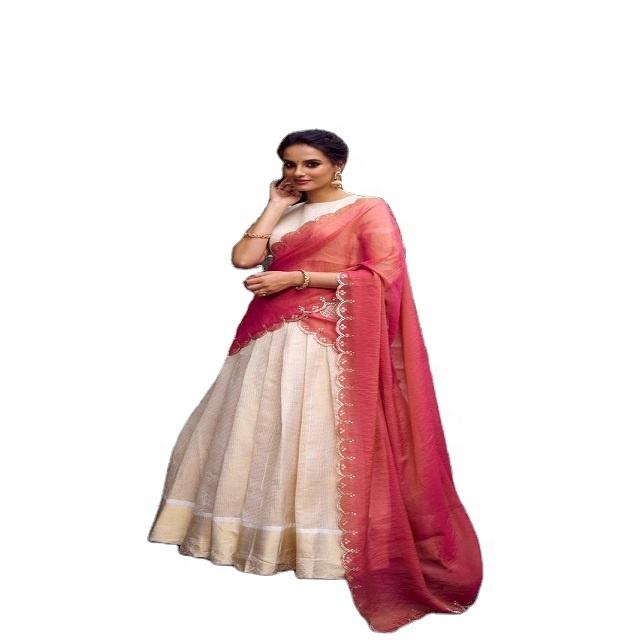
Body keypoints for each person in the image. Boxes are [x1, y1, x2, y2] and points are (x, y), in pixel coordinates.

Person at [147, 129, 483, 632]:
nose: (298, 173)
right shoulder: (286, 210)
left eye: (311, 164)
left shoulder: (367, 209)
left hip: (326, 340)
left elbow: (383, 274)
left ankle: (325, 548)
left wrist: (296, 278)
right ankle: (260, 541)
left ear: (337, 165)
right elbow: (242, 259)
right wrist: (274, 205)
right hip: (266, 341)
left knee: (319, 438)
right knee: (260, 435)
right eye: (289, 164)